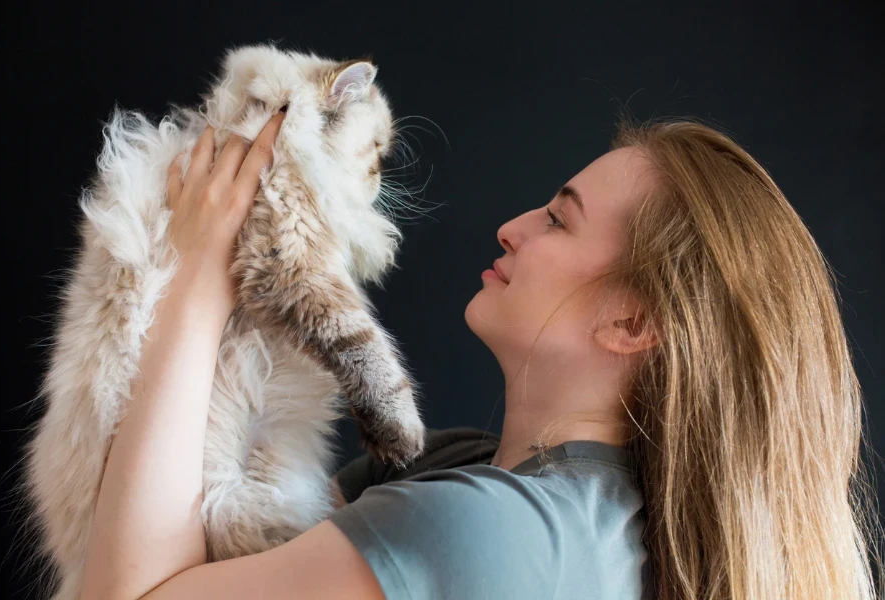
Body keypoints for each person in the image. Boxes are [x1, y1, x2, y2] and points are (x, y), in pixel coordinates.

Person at [76, 111, 881, 600]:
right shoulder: (471, 480)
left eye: (559, 221)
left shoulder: (490, 533)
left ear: (634, 321)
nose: (514, 226)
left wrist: (201, 263)